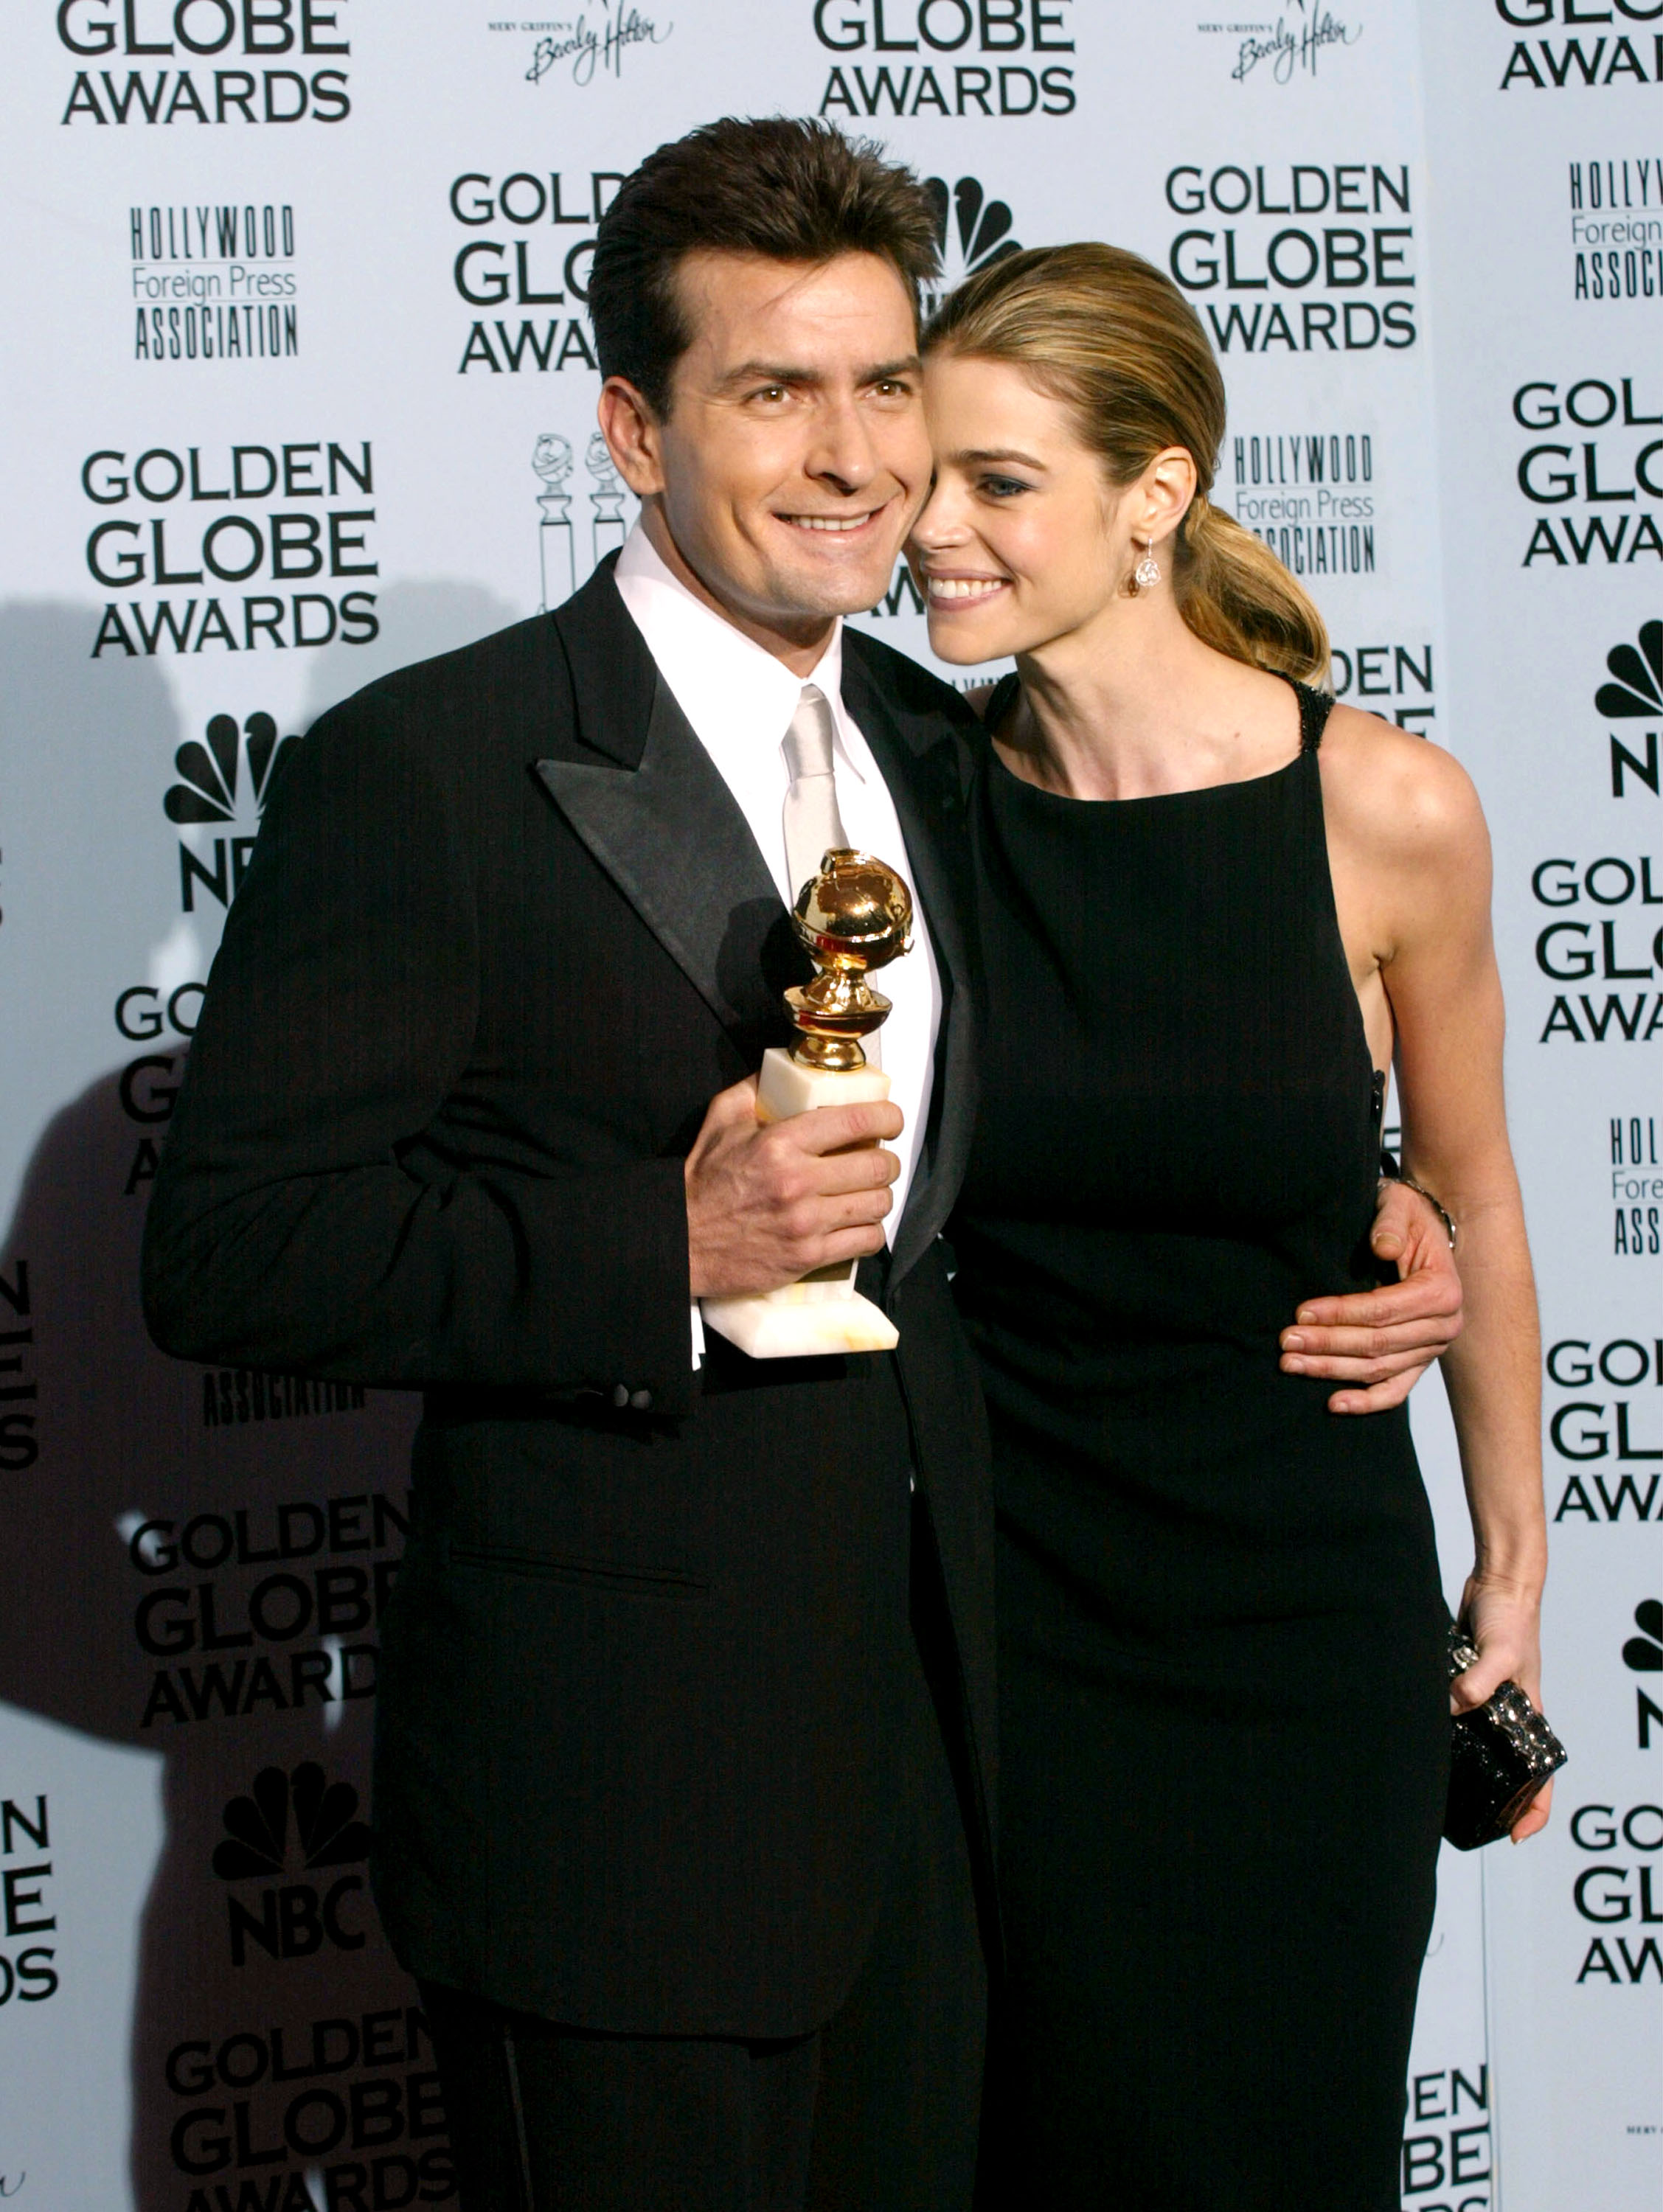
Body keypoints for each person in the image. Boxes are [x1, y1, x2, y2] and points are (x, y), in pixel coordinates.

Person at [140, 125, 1463, 2212]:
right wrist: (655, 1245)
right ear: (632, 429)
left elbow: (1113, 1107)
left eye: (885, 388)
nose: (858, 456)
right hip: (624, 1817)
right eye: (775, 390)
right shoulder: (436, 767)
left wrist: (1367, 1212)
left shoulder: (956, 754)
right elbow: (227, 1253)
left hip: (956, 1797)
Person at [910, 241, 1550, 2211]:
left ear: (1154, 497)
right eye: (921, 475)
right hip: (1000, 1638)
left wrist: (1512, 1573)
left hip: (1298, 1640)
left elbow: (1479, 1194)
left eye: (997, 483)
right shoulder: (900, 799)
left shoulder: (1385, 812)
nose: (932, 529)